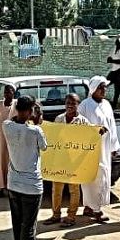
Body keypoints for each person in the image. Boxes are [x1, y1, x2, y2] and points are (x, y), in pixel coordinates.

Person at [2, 95, 48, 240]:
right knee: (28, 225)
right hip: (32, 186)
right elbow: (44, 147)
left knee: (18, 222)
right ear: (30, 111)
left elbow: (14, 120)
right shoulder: (36, 131)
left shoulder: (6, 126)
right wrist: (35, 121)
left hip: (13, 183)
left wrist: (28, 116)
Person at [43, 93, 90, 228]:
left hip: (74, 161)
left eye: (73, 103)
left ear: (78, 105)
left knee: (74, 190)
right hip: (59, 160)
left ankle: (71, 216)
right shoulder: (59, 119)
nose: (70, 105)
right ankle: (56, 214)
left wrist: (100, 131)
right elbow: (53, 137)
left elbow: (90, 135)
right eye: (68, 103)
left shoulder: (83, 122)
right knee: (56, 189)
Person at [78, 76, 120, 223]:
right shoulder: (85, 105)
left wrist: (114, 146)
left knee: (102, 177)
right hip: (90, 149)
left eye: (105, 87)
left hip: (105, 148)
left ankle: (90, 207)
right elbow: (79, 125)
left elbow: (112, 126)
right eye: (100, 87)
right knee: (92, 179)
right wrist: (95, 130)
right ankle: (96, 210)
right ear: (93, 89)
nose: (103, 90)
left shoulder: (107, 104)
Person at [106, 38, 120, 107]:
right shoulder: (114, 49)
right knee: (105, 83)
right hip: (113, 70)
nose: (117, 44)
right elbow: (109, 58)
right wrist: (110, 59)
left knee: (117, 88)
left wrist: (112, 61)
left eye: (118, 42)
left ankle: (114, 103)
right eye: (116, 42)